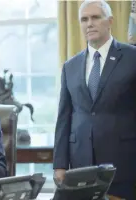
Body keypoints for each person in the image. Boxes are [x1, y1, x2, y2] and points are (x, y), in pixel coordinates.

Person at [53, 0, 136, 199]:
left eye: (95, 17)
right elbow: (64, 118)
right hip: (80, 163)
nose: (89, 23)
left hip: (124, 163)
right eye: (84, 19)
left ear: (110, 21)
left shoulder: (132, 58)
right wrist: (60, 164)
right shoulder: (70, 66)